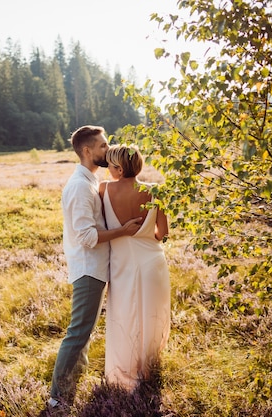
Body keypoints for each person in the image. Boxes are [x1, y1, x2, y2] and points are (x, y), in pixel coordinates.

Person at [48, 126, 143, 409]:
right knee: (78, 332)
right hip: (88, 269)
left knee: (85, 332)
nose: (107, 149)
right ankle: (57, 398)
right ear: (87, 151)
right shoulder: (79, 186)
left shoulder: (90, 181)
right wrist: (124, 231)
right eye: (103, 146)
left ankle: (70, 388)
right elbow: (87, 237)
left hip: (97, 268)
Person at [100, 143, 171, 391]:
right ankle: (147, 369)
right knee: (150, 315)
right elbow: (162, 233)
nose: (107, 168)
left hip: (123, 265)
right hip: (152, 262)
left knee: (124, 314)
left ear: (119, 168)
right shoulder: (154, 191)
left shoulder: (103, 189)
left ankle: (126, 369)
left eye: (110, 164)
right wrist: (143, 232)